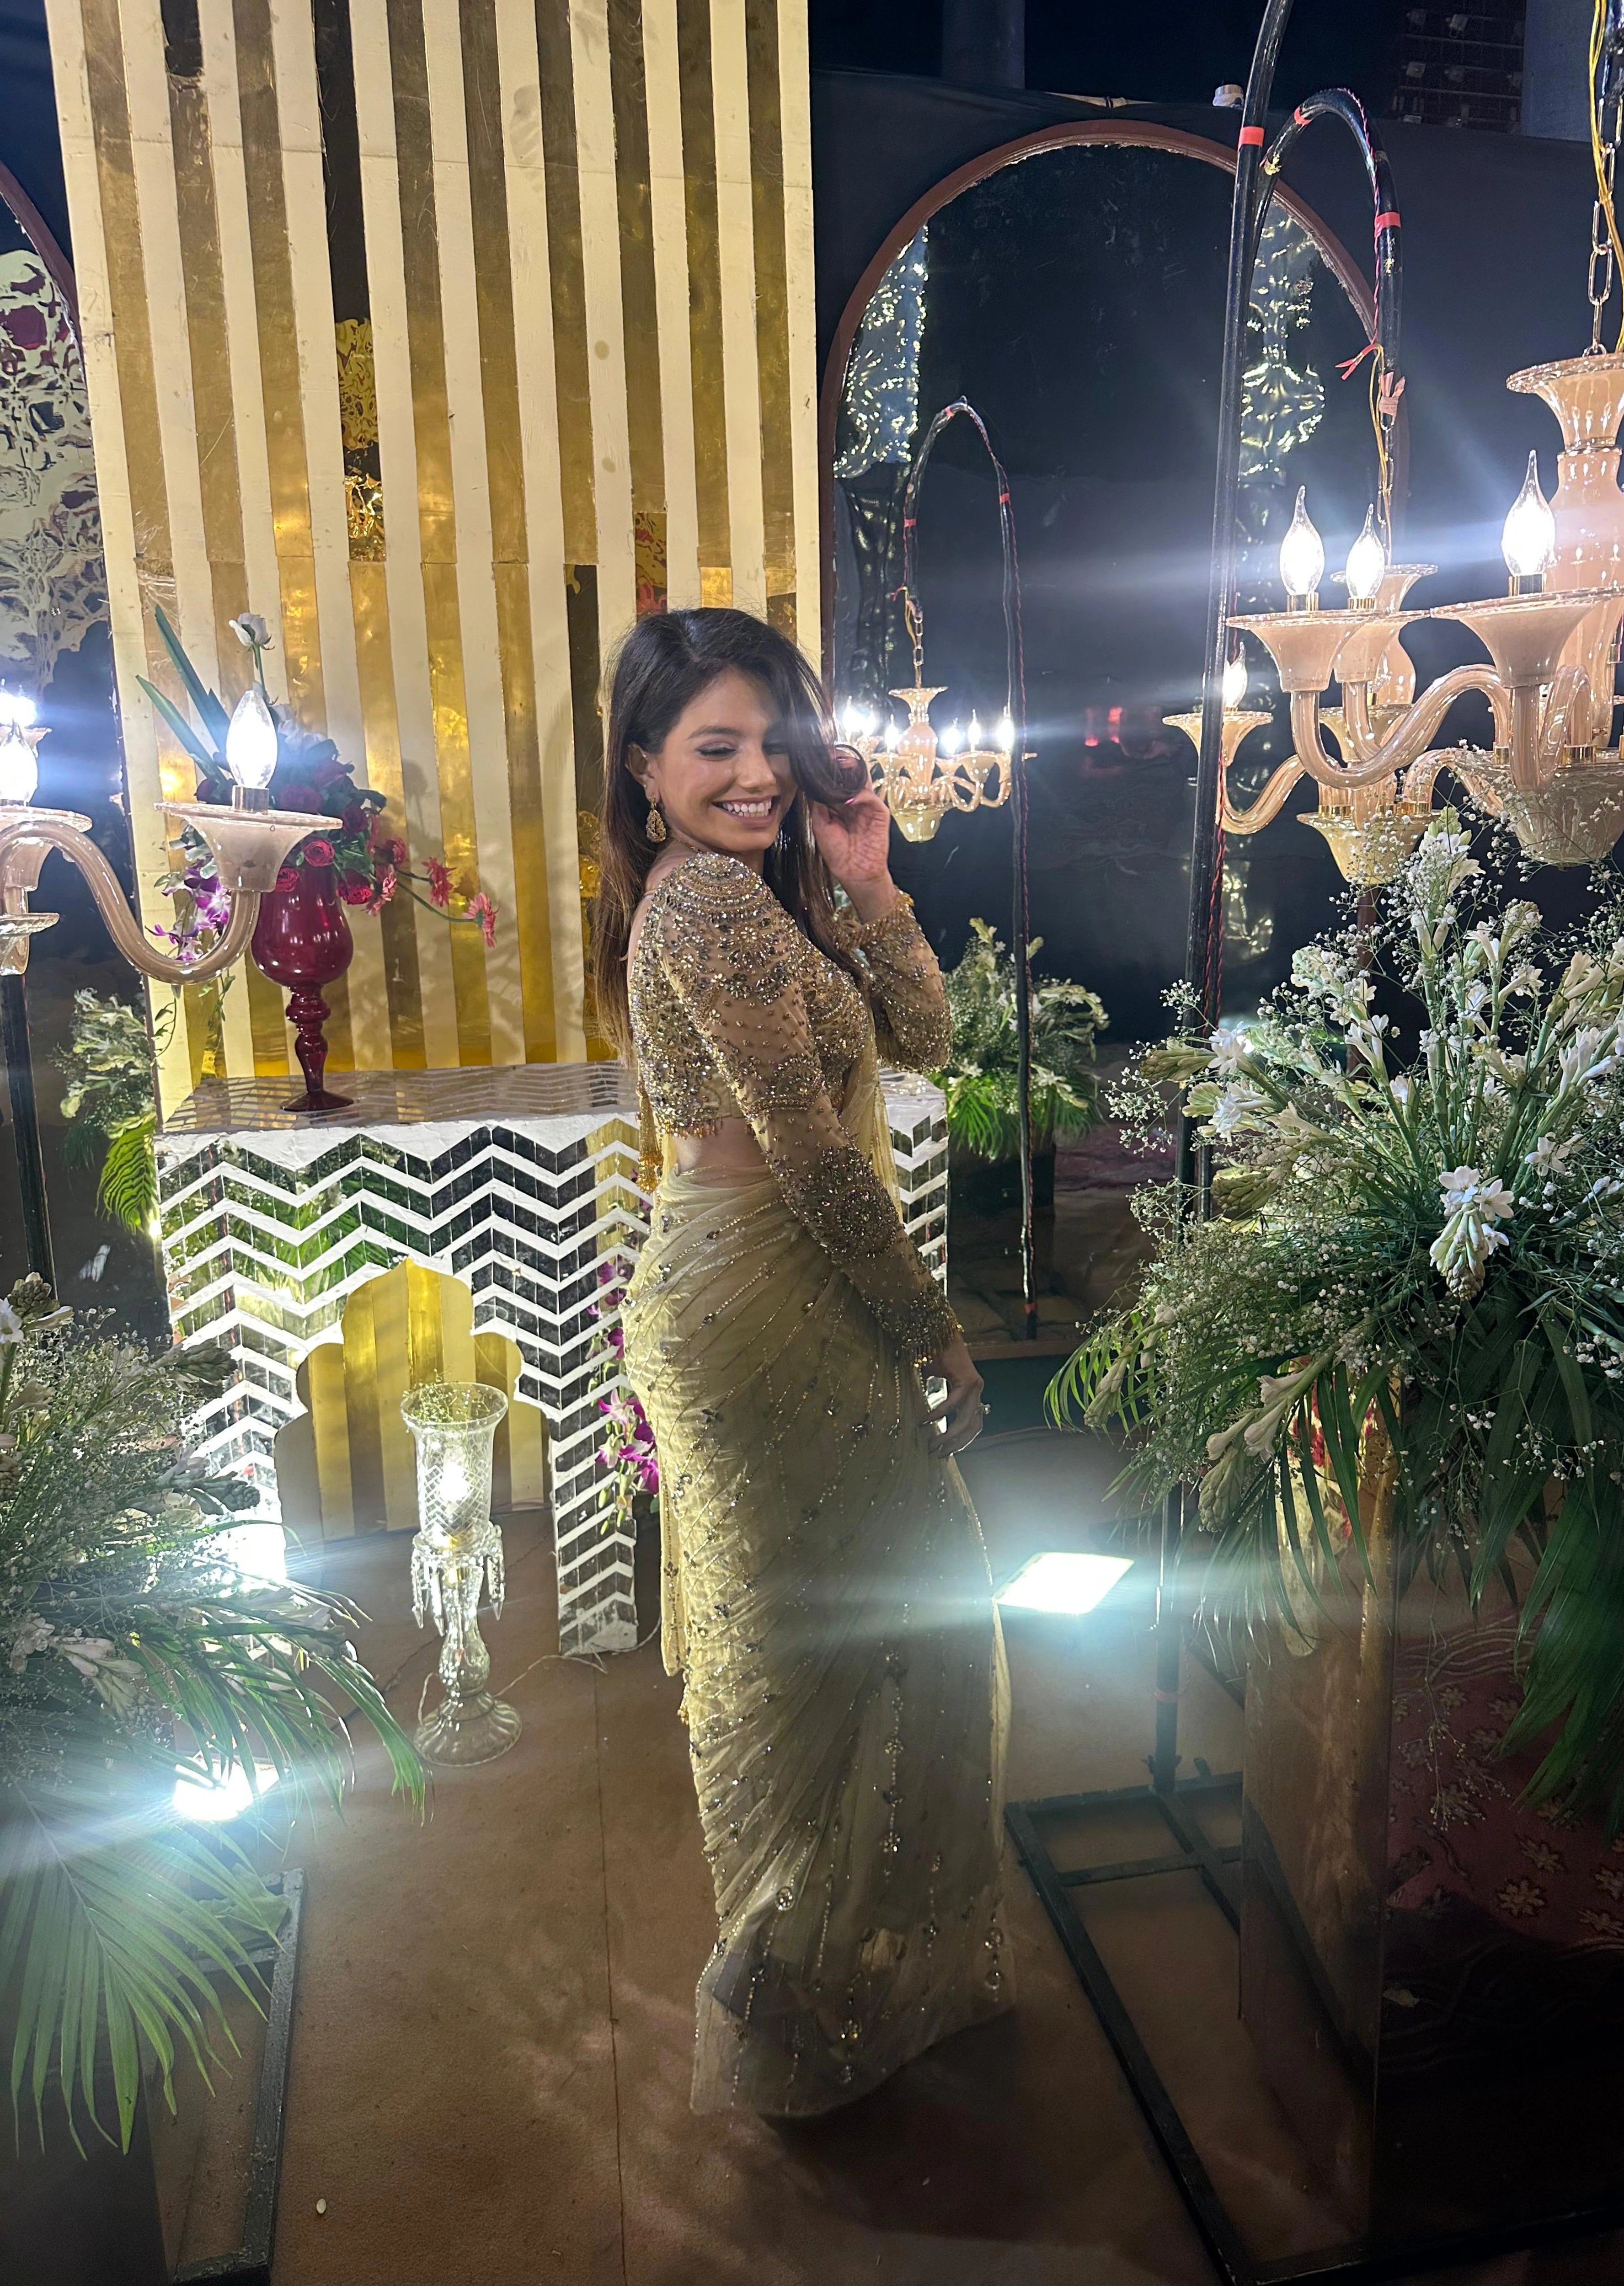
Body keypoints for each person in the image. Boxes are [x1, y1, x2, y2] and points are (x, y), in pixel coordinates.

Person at [593, 607, 1013, 2117]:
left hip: (783, 1286)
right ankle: (798, 2010)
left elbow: (927, 1037)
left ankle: (838, 1994)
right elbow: (820, 1165)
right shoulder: (705, 908)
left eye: (774, 741)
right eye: (717, 747)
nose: (758, 774)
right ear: (646, 767)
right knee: (830, 1643)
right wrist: (934, 1329)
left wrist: (869, 879)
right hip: (762, 1303)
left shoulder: (761, 897)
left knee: (860, 1631)